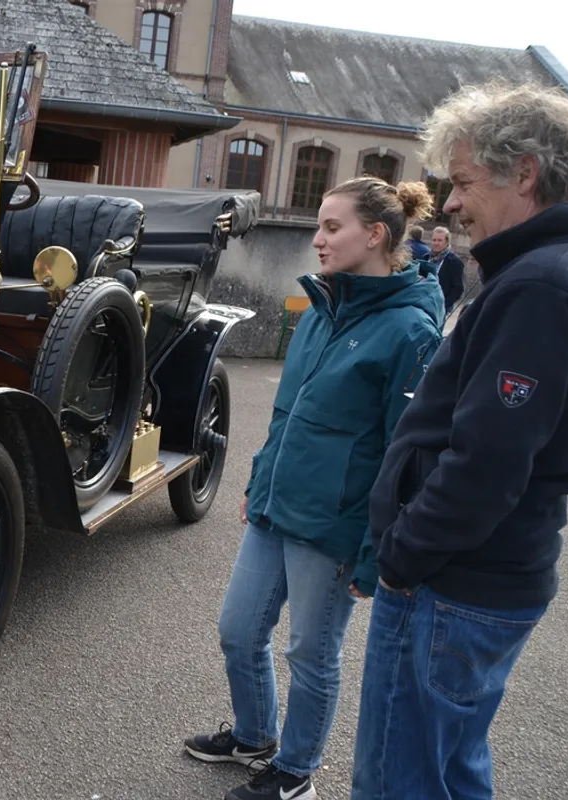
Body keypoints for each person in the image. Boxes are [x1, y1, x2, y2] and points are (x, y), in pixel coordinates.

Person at [352, 81, 568, 800]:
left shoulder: (542, 285)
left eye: (464, 182)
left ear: (524, 172)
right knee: (448, 767)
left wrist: (403, 555)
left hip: (455, 581)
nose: (449, 205)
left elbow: (487, 464)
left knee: (399, 780)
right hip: (492, 574)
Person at [183, 177, 445, 800]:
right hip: (279, 505)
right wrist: (257, 481)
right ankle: (254, 736)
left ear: (376, 235)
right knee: (238, 630)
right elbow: (286, 415)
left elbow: (404, 456)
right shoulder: (321, 312)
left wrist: (375, 550)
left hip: (335, 526)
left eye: (332, 227)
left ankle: (296, 769)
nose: (317, 240)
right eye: (318, 226)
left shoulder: (411, 332)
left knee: (311, 654)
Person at [430, 225, 466, 317]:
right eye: (434, 240)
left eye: (440, 240)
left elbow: (458, 288)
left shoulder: (455, 262)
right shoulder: (426, 258)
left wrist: (443, 305)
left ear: (447, 242)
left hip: (440, 309)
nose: (436, 243)